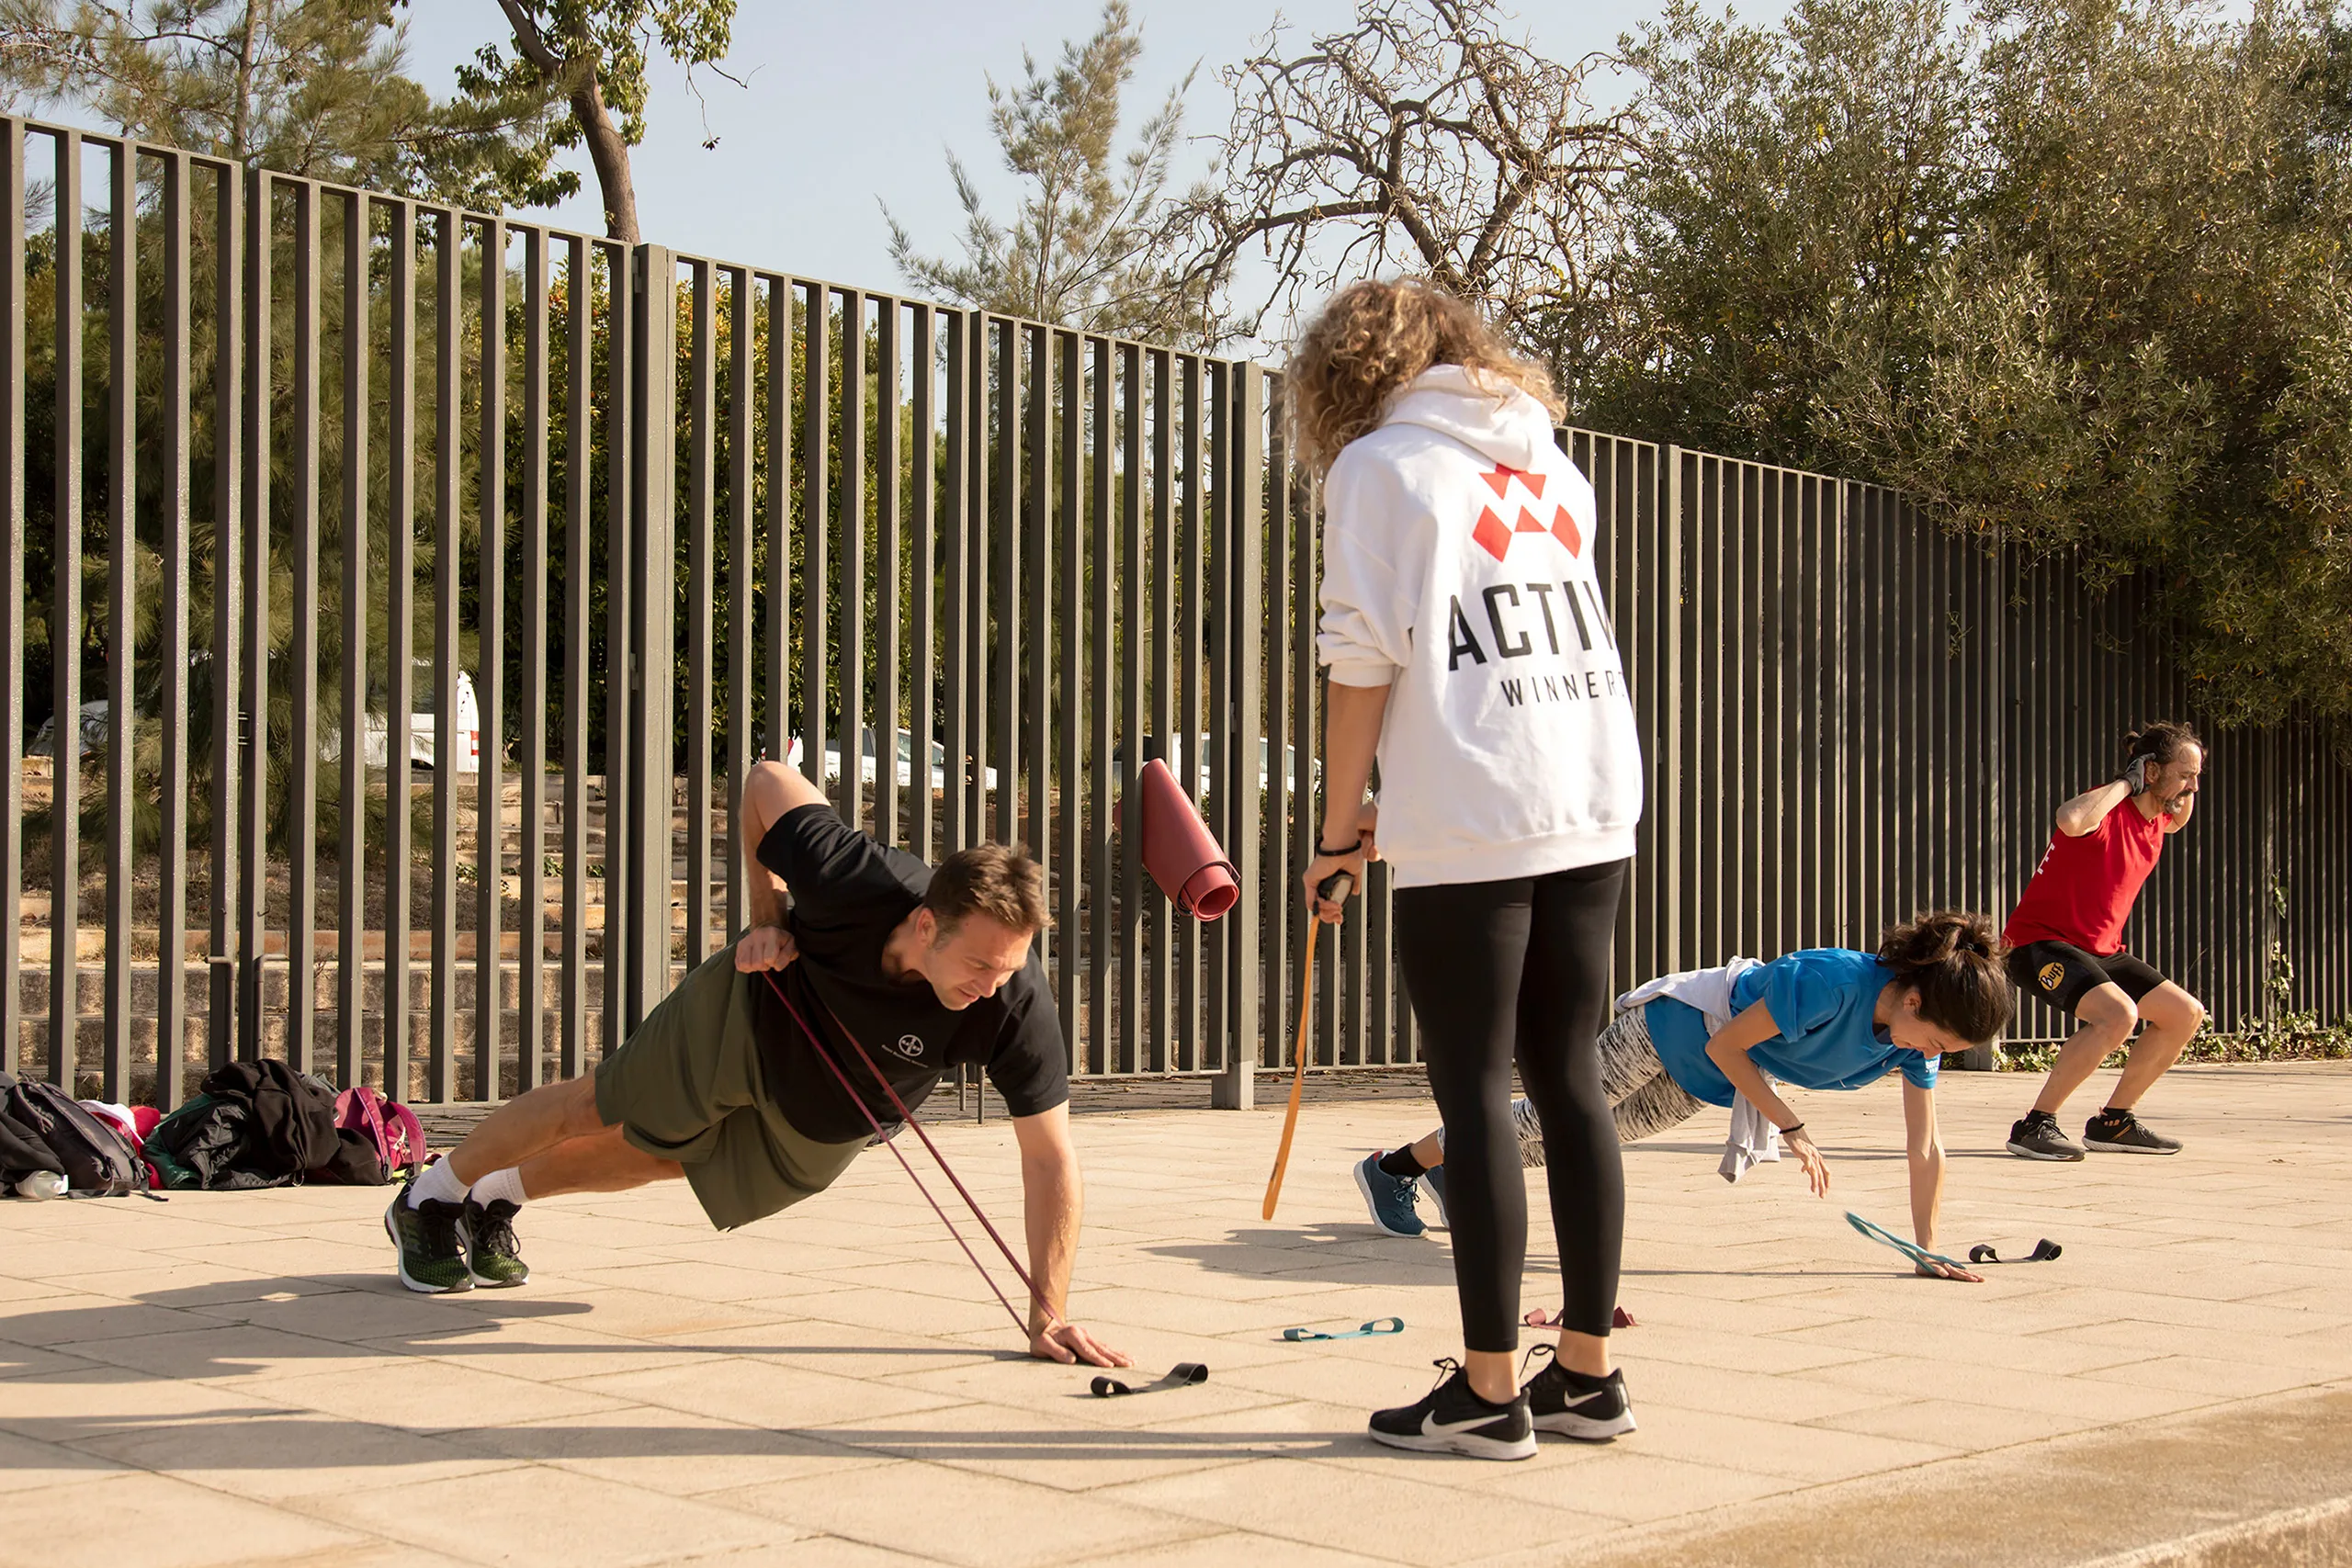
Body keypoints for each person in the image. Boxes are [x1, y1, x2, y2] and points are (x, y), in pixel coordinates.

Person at [381, 760, 1131, 1371]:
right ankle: (433, 1196)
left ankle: (496, 1198)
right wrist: (767, 917)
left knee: (665, 1158)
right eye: (979, 965)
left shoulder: (1014, 1003)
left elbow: (1049, 1159)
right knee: (602, 1104)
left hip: (830, 1114)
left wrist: (1050, 1314)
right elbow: (766, 780)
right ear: (926, 922)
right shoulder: (854, 878)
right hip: (751, 1015)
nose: (991, 987)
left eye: (1008, 969)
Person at [1295, 277, 1645, 1461]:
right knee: (1568, 1078)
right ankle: (1585, 1375)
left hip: (1471, 815)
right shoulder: (1550, 465)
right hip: (1588, 796)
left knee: (1474, 1092)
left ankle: (1489, 1393)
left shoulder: (1379, 468)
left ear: (1344, 374)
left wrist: (1341, 831)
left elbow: (1362, 658)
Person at [1351, 913, 2012, 1287]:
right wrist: (1792, 1127)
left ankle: (1448, 1166)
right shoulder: (1832, 984)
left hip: (1711, 1078)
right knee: (1561, 1122)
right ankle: (1393, 1168)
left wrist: (1928, 1248)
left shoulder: (1908, 1046)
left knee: (1575, 1142)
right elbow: (1729, 1042)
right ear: (1917, 998)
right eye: (1940, 1039)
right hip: (1673, 1027)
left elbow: (1925, 1147)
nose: (1936, 1054)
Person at [2003, 722, 2205, 1161]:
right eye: (2185, 774)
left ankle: (2114, 1122)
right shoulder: (2105, 808)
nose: (2193, 786)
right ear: (2150, 772)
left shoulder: (2158, 818)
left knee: (2184, 1014)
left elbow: (2180, 815)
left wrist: (2178, 786)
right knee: (2118, 1016)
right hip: (2038, 943)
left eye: (2197, 776)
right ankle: (2034, 1125)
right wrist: (2126, 781)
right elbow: (2069, 820)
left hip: (2101, 948)